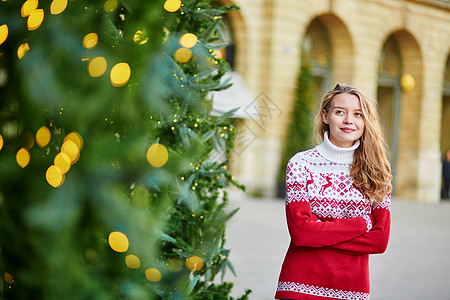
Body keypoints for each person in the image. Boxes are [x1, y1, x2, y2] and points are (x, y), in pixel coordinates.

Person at [275, 84, 392, 300]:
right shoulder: (301, 165)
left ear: (366, 121)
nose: (349, 120)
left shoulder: (378, 172)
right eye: (340, 112)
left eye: (358, 114)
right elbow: (301, 234)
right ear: (325, 116)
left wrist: (319, 232)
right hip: (298, 286)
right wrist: (362, 224)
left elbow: (379, 241)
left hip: (352, 289)